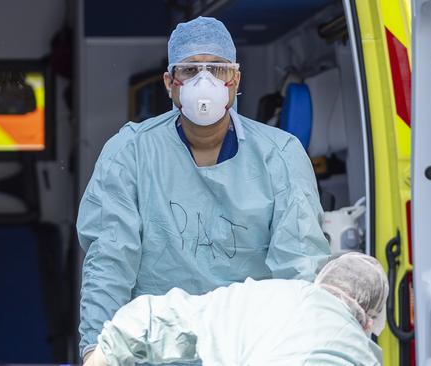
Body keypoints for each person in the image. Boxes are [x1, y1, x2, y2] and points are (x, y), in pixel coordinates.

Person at [77, 16, 330, 362]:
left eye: (217, 69)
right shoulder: (131, 153)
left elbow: (300, 270)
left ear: (235, 79)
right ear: (170, 83)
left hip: (248, 351)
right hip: (152, 352)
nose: (204, 81)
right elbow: (109, 259)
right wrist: (97, 349)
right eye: (190, 70)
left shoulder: (280, 156)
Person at [84, 252, 388, 366]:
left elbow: (159, 317)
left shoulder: (262, 297)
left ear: (321, 280)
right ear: (368, 323)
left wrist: (102, 356)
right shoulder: (361, 354)